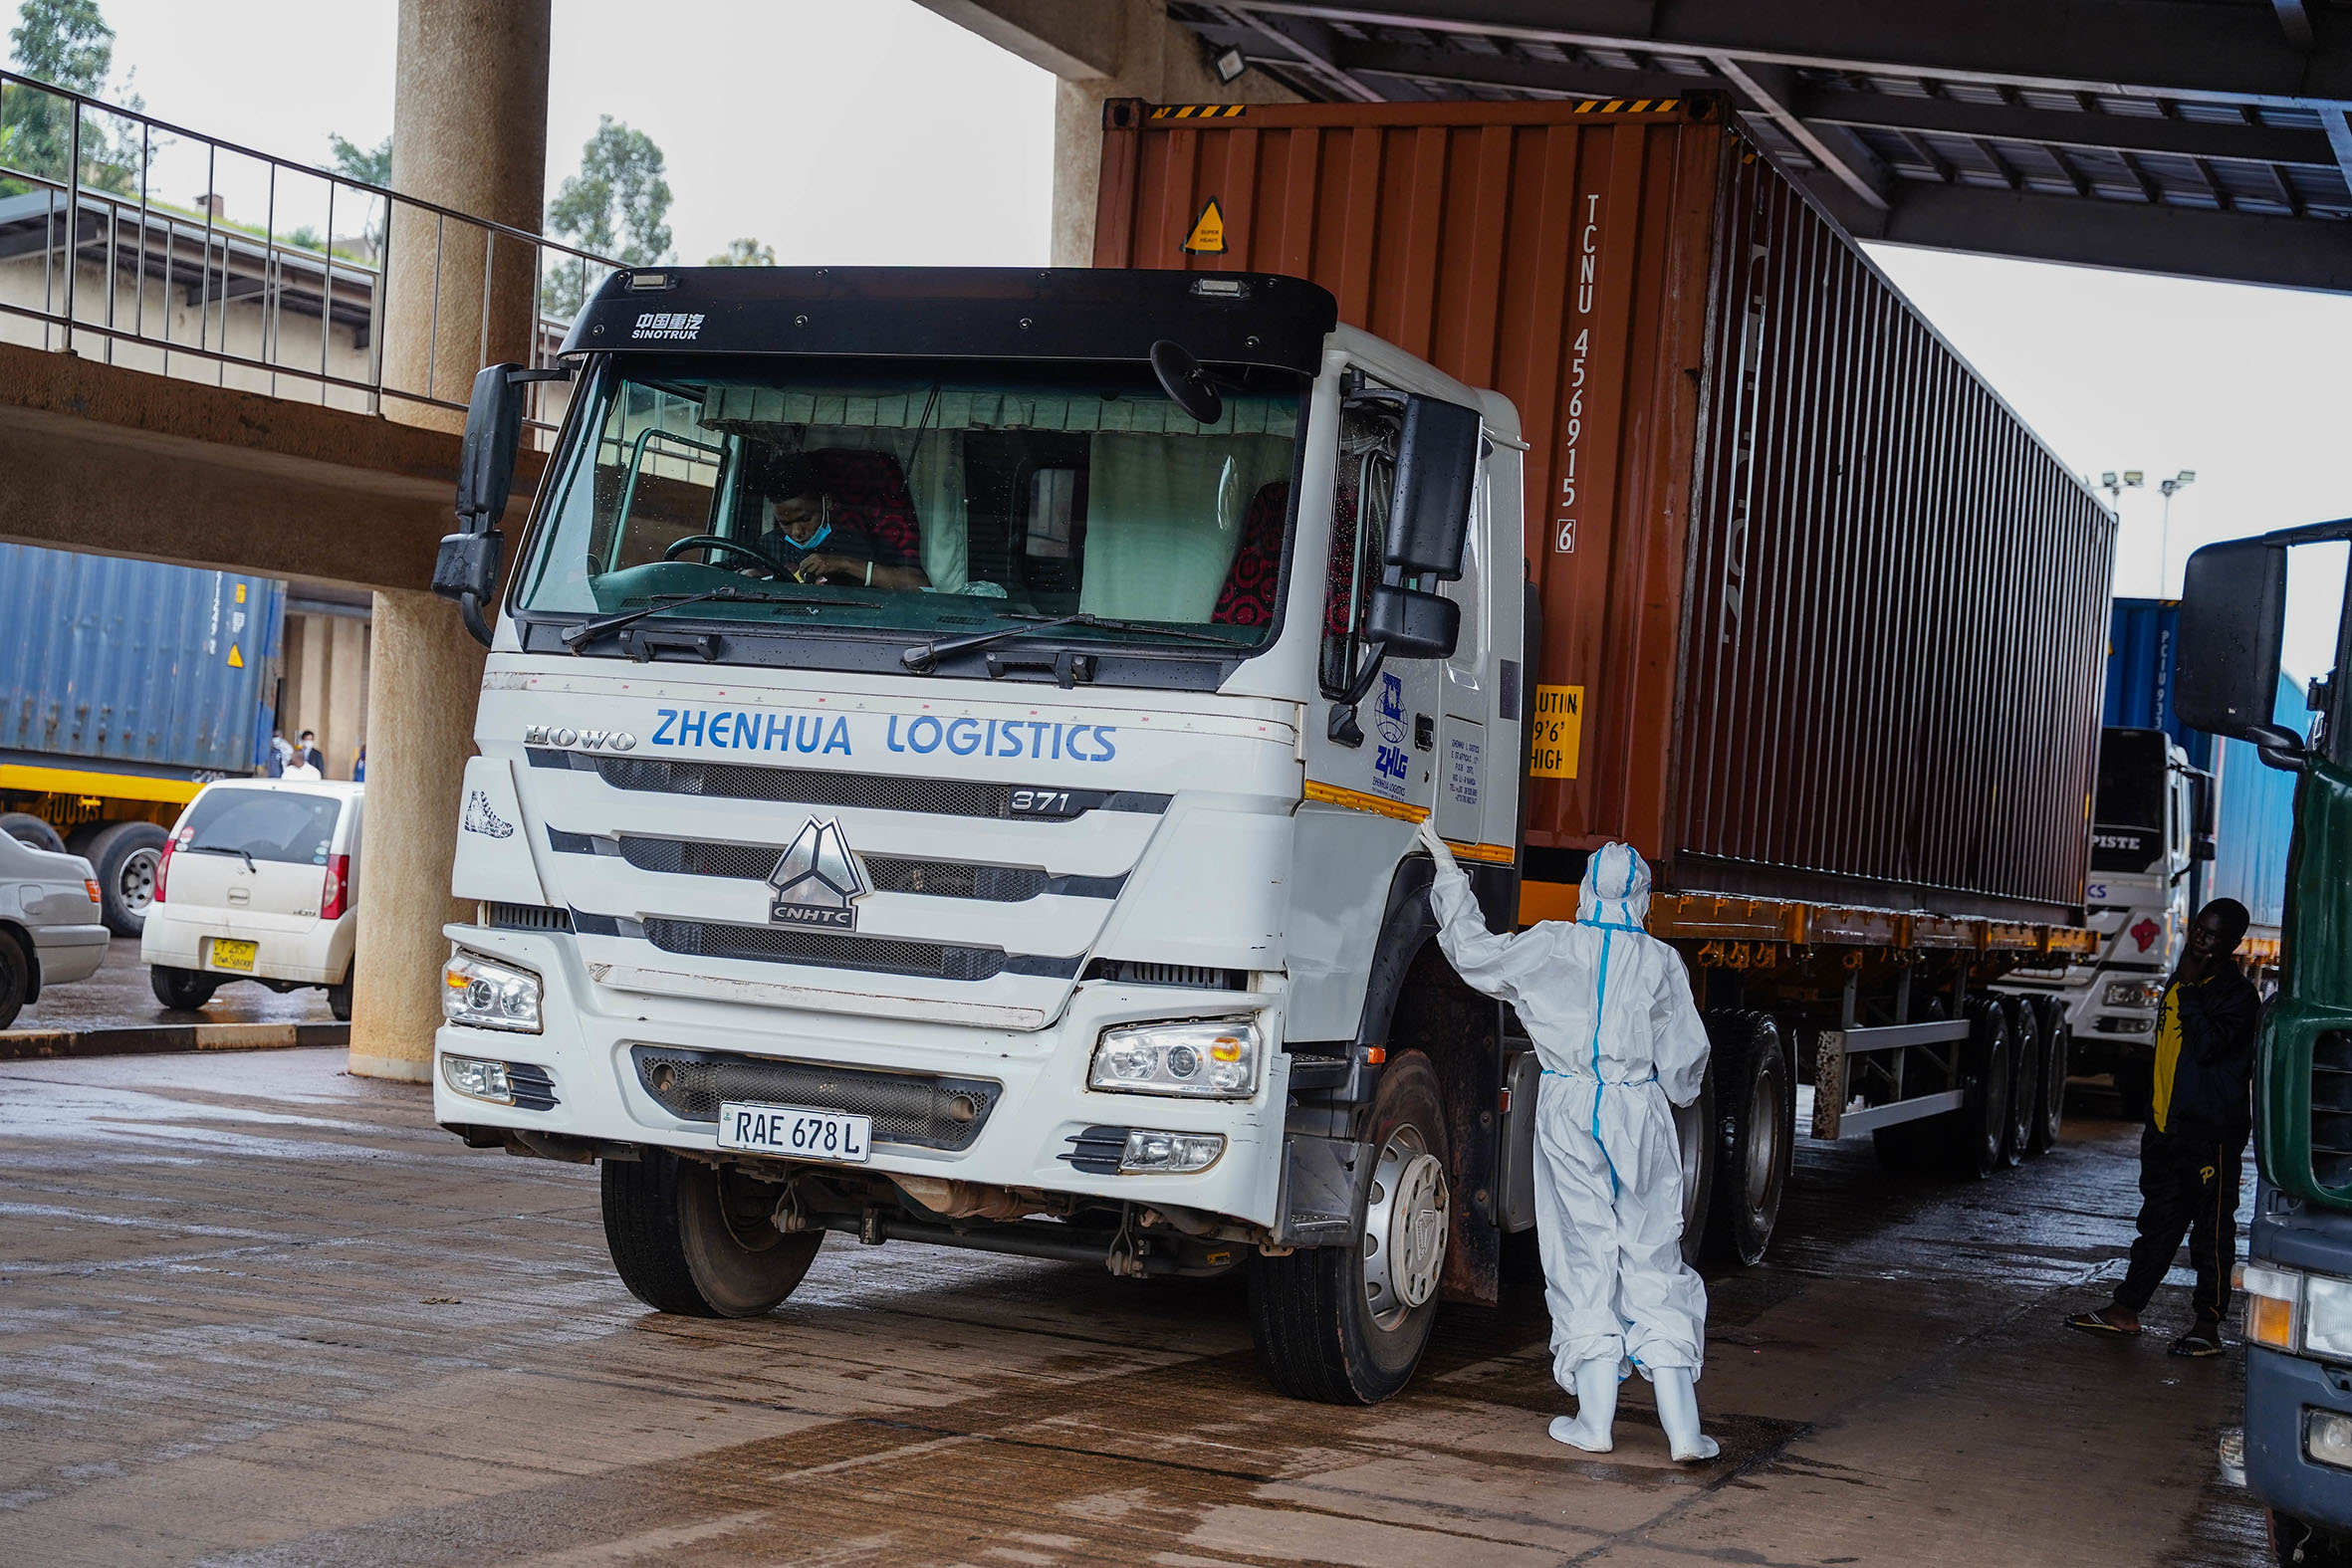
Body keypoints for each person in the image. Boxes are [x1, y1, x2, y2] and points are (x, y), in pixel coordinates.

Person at [1417, 818, 1719, 1461]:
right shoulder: (1663, 964)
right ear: (1640, 901)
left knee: (1582, 1257)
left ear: (1586, 894)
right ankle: (1685, 1433)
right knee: (1653, 1257)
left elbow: (1474, 953)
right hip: (1639, 1114)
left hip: (1570, 1110)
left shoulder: (1553, 945)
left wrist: (1448, 873)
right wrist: (1672, 1088)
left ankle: (1595, 1422)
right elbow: (1688, 1066)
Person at [2066, 898, 2260, 1357]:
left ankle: (2206, 1329)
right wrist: (2155, 1124)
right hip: (2167, 1131)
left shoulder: (2235, 995)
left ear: (2231, 944)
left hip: (2209, 1135)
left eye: (2212, 936)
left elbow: (2209, 1046)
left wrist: (2191, 991)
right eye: (2198, 929)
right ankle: (2125, 1310)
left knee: (2210, 1234)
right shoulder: (2179, 981)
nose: (2199, 939)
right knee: (2156, 1225)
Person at [753, 451, 927, 590]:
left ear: (827, 502)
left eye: (805, 519)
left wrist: (844, 564)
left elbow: (920, 585)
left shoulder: (861, 542)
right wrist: (750, 575)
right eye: (785, 523)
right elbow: (728, 574)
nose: (797, 532)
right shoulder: (770, 544)